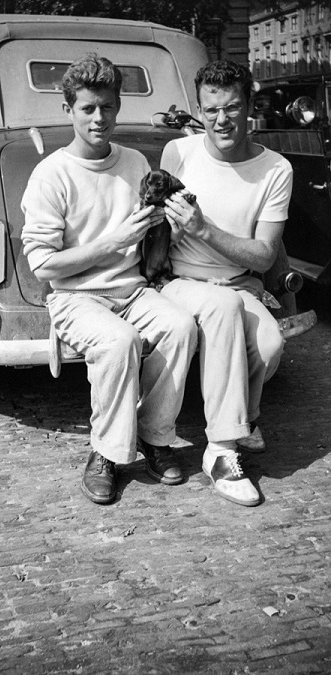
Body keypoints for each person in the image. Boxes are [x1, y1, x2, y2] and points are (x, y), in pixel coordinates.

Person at [21, 54, 197, 504]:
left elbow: (154, 233)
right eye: (87, 108)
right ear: (68, 110)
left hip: (132, 289)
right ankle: (106, 453)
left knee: (180, 328)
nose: (99, 118)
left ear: (118, 107)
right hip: (75, 296)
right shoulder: (51, 175)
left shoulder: (136, 161)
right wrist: (112, 242)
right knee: (119, 342)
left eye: (108, 107)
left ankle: (155, 436)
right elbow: (42, 265)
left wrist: (175, 224)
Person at [160, 59, 293, 507]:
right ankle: (222, 451)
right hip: (181, 280)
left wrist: (205, 231)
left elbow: (264, 254)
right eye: (210, 109)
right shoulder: (178, 154)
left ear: (249, 106)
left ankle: (245, 416)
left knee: (271, 344)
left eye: (232, 108)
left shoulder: (275, 169)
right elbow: (159, 230)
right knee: (224, 312)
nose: (221, 120)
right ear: (199, 109)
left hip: (238, 284)